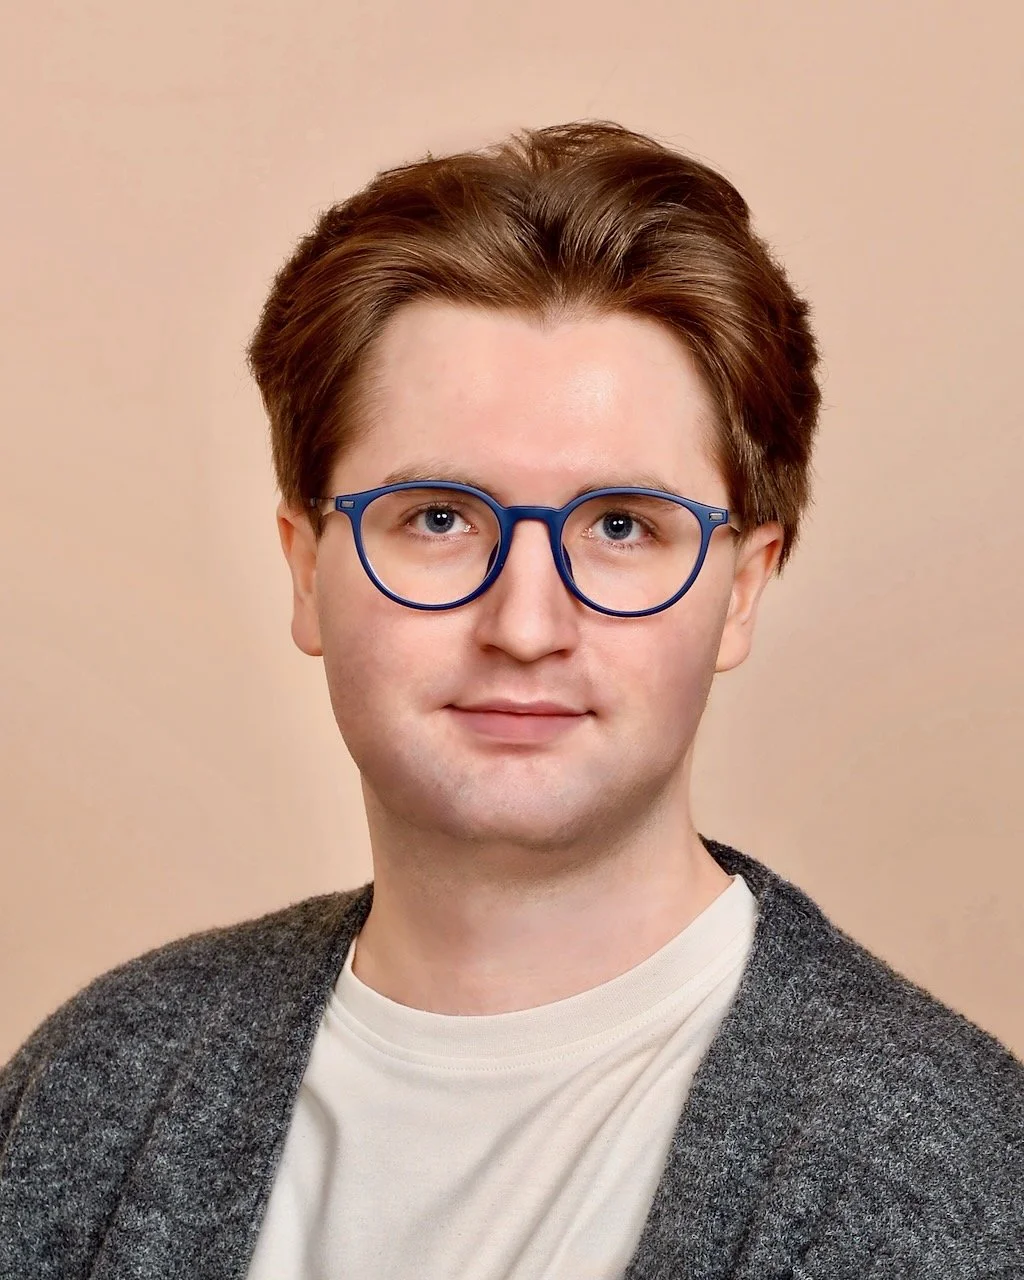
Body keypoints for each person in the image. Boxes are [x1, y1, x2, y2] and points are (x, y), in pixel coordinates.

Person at [1, 120, 1021, 1280]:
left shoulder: (956, 1183)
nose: (525, 626)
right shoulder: (96, 1083)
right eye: (437, 518)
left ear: (740, 591)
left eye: (622, 526)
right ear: (304, 570)